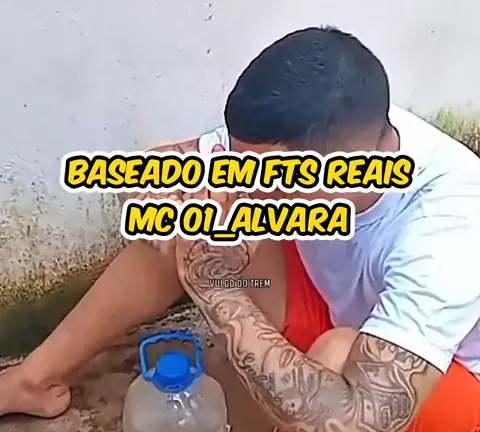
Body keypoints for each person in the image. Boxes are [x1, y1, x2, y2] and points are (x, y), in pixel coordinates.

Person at [1, 27, 480, 431]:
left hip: (434, 380)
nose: (244, 180)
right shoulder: (325, 134)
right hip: (336, 302)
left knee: (335, 356)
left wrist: (218, 291)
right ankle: (34, 379)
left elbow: (357, 418)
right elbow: (153, 171)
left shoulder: (448, 229)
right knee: (188, 216)